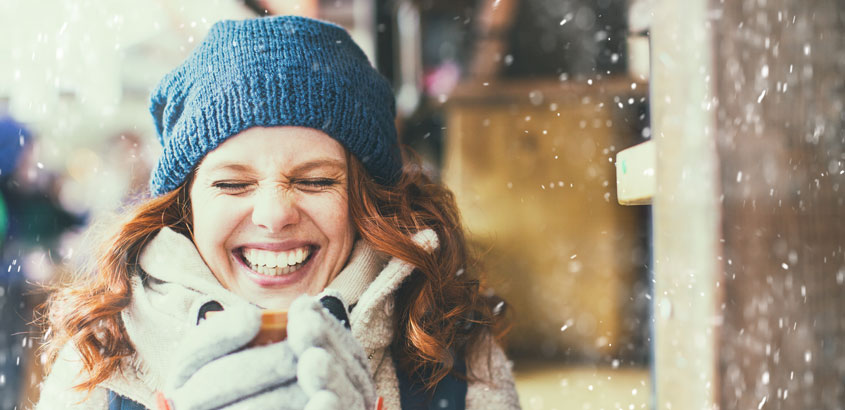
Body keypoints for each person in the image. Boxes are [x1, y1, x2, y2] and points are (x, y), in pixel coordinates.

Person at [36, 15, 520, 410]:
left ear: (368, 202)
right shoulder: (100, 363)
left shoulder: (454, 356)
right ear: (186, 208)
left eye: (314, 180)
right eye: (232, 183)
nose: (273, 214)